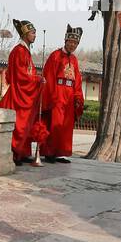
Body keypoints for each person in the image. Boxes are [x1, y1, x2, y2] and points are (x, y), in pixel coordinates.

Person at [0, 20, 42, 165]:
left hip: (25, 93)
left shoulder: (26, 52)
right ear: (25, 34)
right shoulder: (19, 51)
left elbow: (31, 72)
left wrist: (37, 78)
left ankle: (22, 152)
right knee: (19, 125)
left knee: (26, 124)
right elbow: (21, 76)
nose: (35, 35)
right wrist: (36, 79)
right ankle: (14, 153)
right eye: (32, 33)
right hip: (18, 94)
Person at [40, 25, 85, 163]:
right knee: (55, 123)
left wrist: (78, 96)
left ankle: (60, 152)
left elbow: (77, 80)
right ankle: (49, 152)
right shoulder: (55, 56)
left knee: (66, 125)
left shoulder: (75, 60)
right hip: (58, 93)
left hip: (70, 95)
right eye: (70, 42)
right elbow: (49, 76)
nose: (72, 45)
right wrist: (52, 95)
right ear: (65, 41)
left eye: (75, 43)